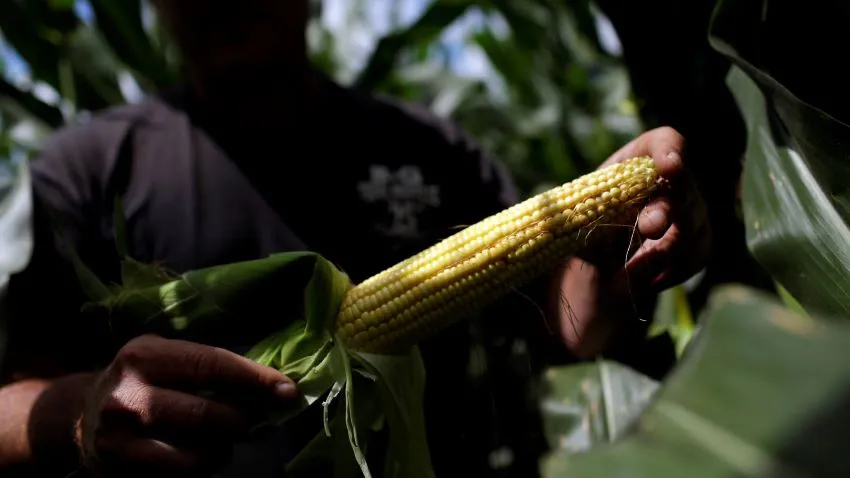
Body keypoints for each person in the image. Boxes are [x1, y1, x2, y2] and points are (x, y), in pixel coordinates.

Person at [0, 0, 710, 477]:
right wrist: (79, 412)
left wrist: (607, 271)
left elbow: (560, 333)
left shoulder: (434, 151)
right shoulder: (86, 172)